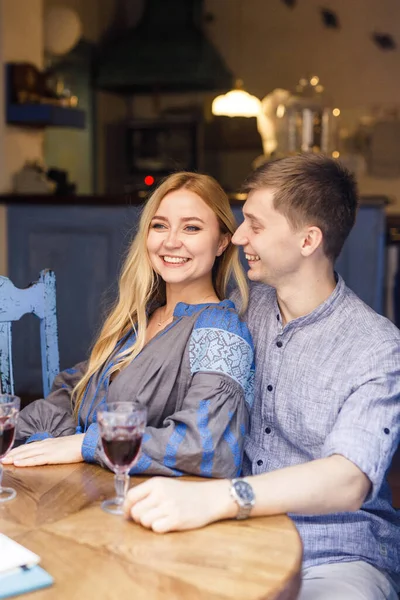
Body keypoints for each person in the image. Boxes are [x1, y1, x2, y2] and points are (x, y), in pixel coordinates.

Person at [122, 155, 400, 600]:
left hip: (334, 556)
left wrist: (221, 499)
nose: (239, 236)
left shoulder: (377, 346)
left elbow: (349, 480)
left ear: (309, 239)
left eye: (255, 224)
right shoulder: (242, 310)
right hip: (234, 538)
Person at [3, 172, 254, 479]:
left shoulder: (220, 331)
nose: (171, 241)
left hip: (149, 508)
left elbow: (206, 446)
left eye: (191, 228)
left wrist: (87, 443)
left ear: (221, 243)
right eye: (159, 225)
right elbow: (73, 393)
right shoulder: (138, 318)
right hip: (84, 488)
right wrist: (33, 438)